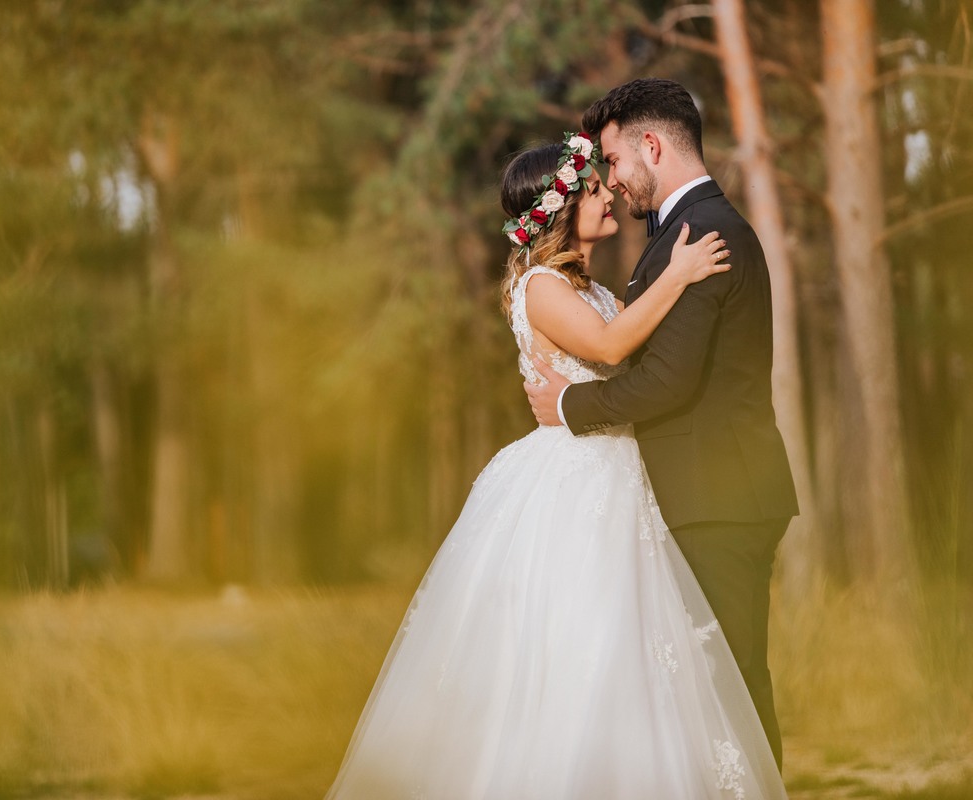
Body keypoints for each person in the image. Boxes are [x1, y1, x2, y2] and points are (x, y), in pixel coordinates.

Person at [325, 130, 787, 799]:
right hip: (575, 483)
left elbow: (640, 350)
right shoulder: (540, 286)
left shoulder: (591, 286)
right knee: (585, 648)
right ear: (559, 206)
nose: (607, 192)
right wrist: (681, 275)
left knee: (639, 659)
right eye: (592, 187)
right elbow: (610, 343)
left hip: (621, 472)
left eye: (603, 181)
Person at [524, 79, 800, 769]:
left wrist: (567, 407)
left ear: (652, 145)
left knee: (730, 683)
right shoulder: (684, 235)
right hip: (698, 496)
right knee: (702, 692)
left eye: (614, 161)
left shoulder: (705, 232)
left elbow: (665, 380)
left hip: (720, 498)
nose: (611, 181)